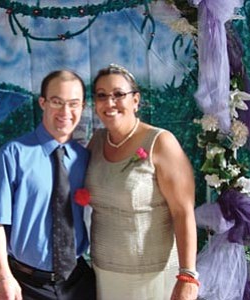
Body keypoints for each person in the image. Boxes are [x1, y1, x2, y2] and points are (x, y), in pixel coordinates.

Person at [85, 64, 199, 300]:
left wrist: (188, 276)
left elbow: (183, 212)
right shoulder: (95, 142)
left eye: (118, 94)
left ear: (135, 100)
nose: (110, 102)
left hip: (152, 277)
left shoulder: (161, 142)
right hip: (104, 274)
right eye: (102, 96)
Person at [0, 70, 96, 300]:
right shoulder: (12, 155)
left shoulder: (85, 158)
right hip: (26, 285)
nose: (65, 112)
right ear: (42, 103)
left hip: (78, 283)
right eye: (57, 102)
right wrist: (4, 277)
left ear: (82, 107)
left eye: (73, 104)